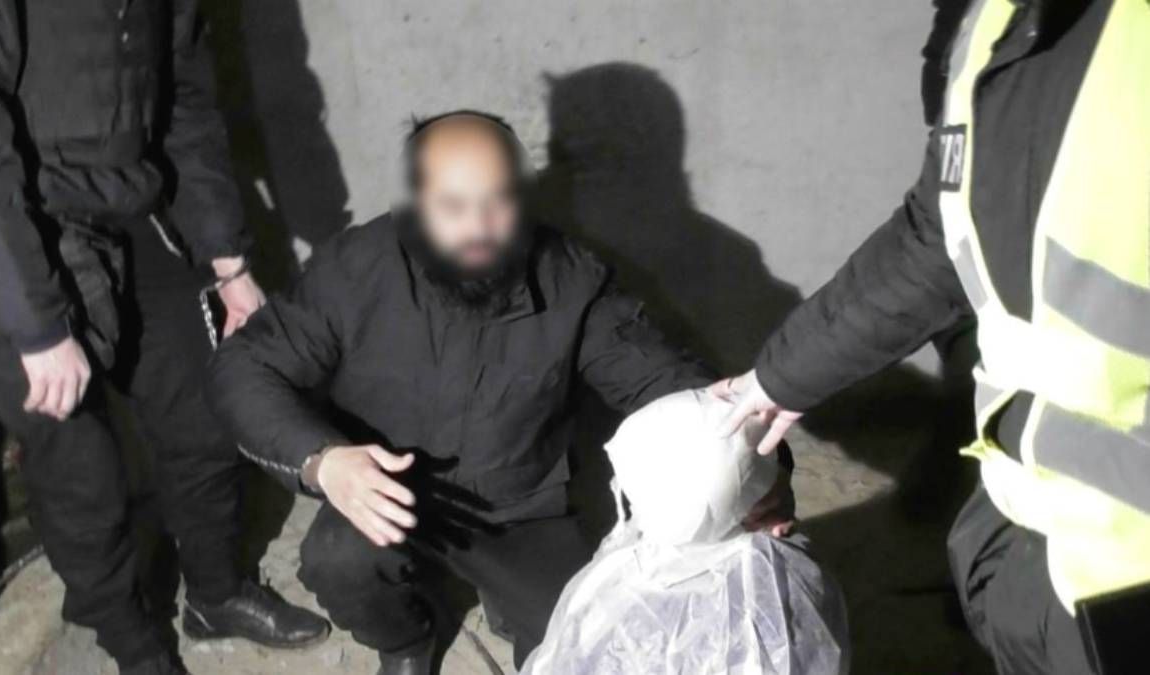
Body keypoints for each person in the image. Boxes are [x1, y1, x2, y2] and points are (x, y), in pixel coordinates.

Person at [207, 111, 796, 674]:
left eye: (499, 202)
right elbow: (244, 366)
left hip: (519, 509)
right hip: (387, 491)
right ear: (414, 203)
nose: (480, 228)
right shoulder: (356, 268)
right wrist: (323, 461)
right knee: (336, 563)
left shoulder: (572, 279)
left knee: (582, 641)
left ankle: (508, 605)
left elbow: (663, 379)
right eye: (453, 207)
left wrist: (756, 470)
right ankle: (407, 640)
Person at [715, 0, 1150, 673]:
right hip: (1030, 546)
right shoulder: (991, 24)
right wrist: (777, 379)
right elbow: (937, 234)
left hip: (1128, 566)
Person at [0, 2, 329, 673]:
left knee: (207, 407)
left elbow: (184, 98)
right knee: (82, 469)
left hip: (121, 201)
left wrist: (229, 261)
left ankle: (215, 594)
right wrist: (37, 327)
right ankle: (135, 647)